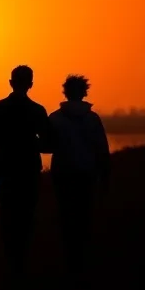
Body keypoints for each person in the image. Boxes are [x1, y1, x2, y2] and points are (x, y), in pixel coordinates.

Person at [0, 65, 51, 278]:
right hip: (28, 169)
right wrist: (31, 142)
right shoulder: (37, 110)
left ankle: (11, 260)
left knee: (8, 213)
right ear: (30, 84)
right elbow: (48, 143)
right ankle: (22, 260)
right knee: (26, 215)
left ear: (11, 83)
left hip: (6, 168)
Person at [47, 75, 111, 277]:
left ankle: (70, 260)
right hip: (86, 173)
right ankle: (82, 260)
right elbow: (102, 150)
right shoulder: (93, 119)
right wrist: (105, 176)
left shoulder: (55, 118)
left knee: (66, 216)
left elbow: (46, 146)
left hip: (63, 173)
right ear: (84, 92)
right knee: (84, 215)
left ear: (65, 93)